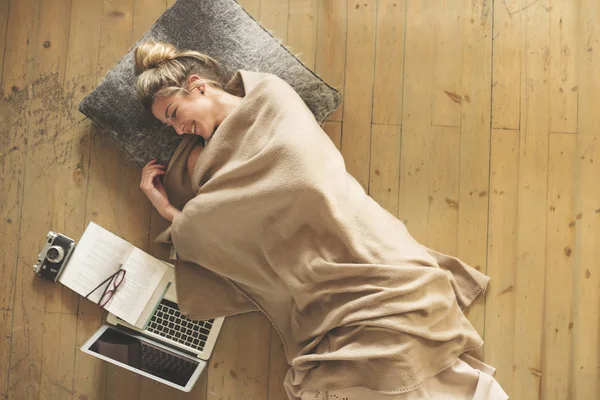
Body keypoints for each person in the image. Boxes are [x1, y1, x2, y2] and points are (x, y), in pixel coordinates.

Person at [135, 41, 508, 400]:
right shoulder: (193, 159)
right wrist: (178, 205)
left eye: (174, 115)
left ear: (197, 88)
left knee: (382, 347)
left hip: (355, 236)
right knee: (358, 361)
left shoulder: (270, 98)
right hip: (302, 270)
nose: (177, 129)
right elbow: (219, 217)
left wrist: (169, 212)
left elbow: (306, 177)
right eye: (168, 127)